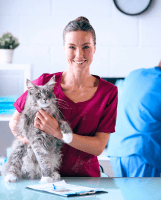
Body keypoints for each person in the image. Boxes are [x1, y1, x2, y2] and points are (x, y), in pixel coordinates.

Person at [9, 16, 118, 177]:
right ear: (64, 48)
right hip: (42, 180)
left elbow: (98, 147)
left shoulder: (108, 93)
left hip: (86, 181)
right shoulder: (44, 83)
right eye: (72, 47)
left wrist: (59, 133)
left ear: (95, 47)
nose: (79, 54)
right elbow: (14, 122)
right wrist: (35, 142)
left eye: (86, 46)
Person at [107, 52, 161, 177]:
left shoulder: (134, 75)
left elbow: (139, 114)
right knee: (145, 196)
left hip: (117, 152)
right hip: (141, 156)